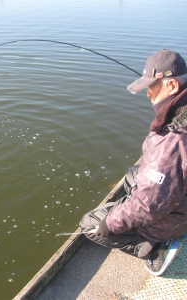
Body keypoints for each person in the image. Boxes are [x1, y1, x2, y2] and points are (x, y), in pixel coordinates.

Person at [79, 49, 187, 276]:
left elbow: (150, 204)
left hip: (178, 218)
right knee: (133, 175)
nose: (148, 93)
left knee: (90, 225)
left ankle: (155, 248)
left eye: (151, 86)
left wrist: (109, 224)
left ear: (172, 87)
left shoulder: (171, 140)